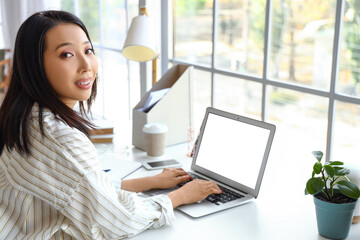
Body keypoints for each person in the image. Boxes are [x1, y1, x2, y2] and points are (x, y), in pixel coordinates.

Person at [0, 10, 222, 239]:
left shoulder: (26, 117)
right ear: (34, 65)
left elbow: (80, 185)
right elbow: (117, 221)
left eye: (88, 50)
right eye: (67, 54)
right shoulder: (57, 137)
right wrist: (180, 197)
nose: (86, 65)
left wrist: (151, 182)